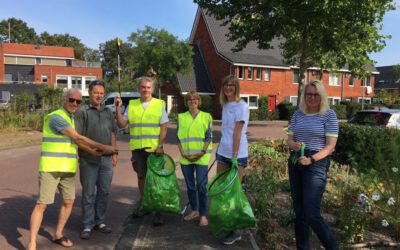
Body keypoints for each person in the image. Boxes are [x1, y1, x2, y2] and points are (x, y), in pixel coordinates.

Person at [28, 88, 116, 250]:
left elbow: (78, 143)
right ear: (64, 100)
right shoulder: (56, 117)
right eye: (72, 100)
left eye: (78, 101)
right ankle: (32, 243)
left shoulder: (72, 119)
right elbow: (77, 137)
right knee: (42, 204)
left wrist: (95, 152)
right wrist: (104, 147)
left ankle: (58, 234)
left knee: (69, 202)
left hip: (67, 169)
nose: (75, 103)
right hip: (51, 168)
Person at [287, 80, 339, 250]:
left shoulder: (329, 115)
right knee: (300, 213)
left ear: (322, 96)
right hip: (296, 161)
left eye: (315, 94)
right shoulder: (298, 114)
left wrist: (312, 159)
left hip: (316, 162)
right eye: (308, 94)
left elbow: (330, 146)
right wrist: (293, 145)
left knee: (311, 213)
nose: (311, 97)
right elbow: (290, 139)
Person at [115, 76, 168, 226]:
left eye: (148, 87)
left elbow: (163, 128)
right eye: (143, 87)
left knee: (156, 180)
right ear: (139, 89)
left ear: (152, 89)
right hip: (137, 149)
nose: (145, 90)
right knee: (141, 178)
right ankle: (145, 206)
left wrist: (160, 146)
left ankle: (158, 211)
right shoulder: (131, 105)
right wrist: (118, 107)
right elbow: (122, 123)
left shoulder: (159, 104)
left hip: (154, 149)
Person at [74, 80, 117, 239]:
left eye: (101, 92)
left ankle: (100, 221)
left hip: (106, 161)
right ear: (89, 93)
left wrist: (114, 153)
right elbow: (78, 138)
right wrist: (92, 150)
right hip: (88, 160)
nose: (98, 95)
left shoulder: (108, 111)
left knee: (104, 192)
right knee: (88, 193)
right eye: (95, 92)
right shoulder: (82, 111)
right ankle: (87, 224)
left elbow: (113, 133)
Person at [216, 75, 249, 245]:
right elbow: (226, 131)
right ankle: (227, 225)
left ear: (236, 88)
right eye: (226, 85)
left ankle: (236, 231)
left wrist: (235, 156)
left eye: (232, 85)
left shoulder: (242, 106)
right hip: (223, 152)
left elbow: (237, 132)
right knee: (222, 190)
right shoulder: (226, 104)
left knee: (234, 192)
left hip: (237, 155)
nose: (228, 87)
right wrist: (221, 149)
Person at [177, 91, 212, 226]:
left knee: (201, 186)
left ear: (199, 101)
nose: (193, 101)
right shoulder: (181, 117)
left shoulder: (206, 116)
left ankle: (203, 214)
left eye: (195, 99)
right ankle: (194, 211)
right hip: (186, 157)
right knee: (190, 186)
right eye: (190, 99)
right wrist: (183, 153)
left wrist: (202, 152)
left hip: (201, 157)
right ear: (187, 102)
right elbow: (178, 139)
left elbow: (208, 137)